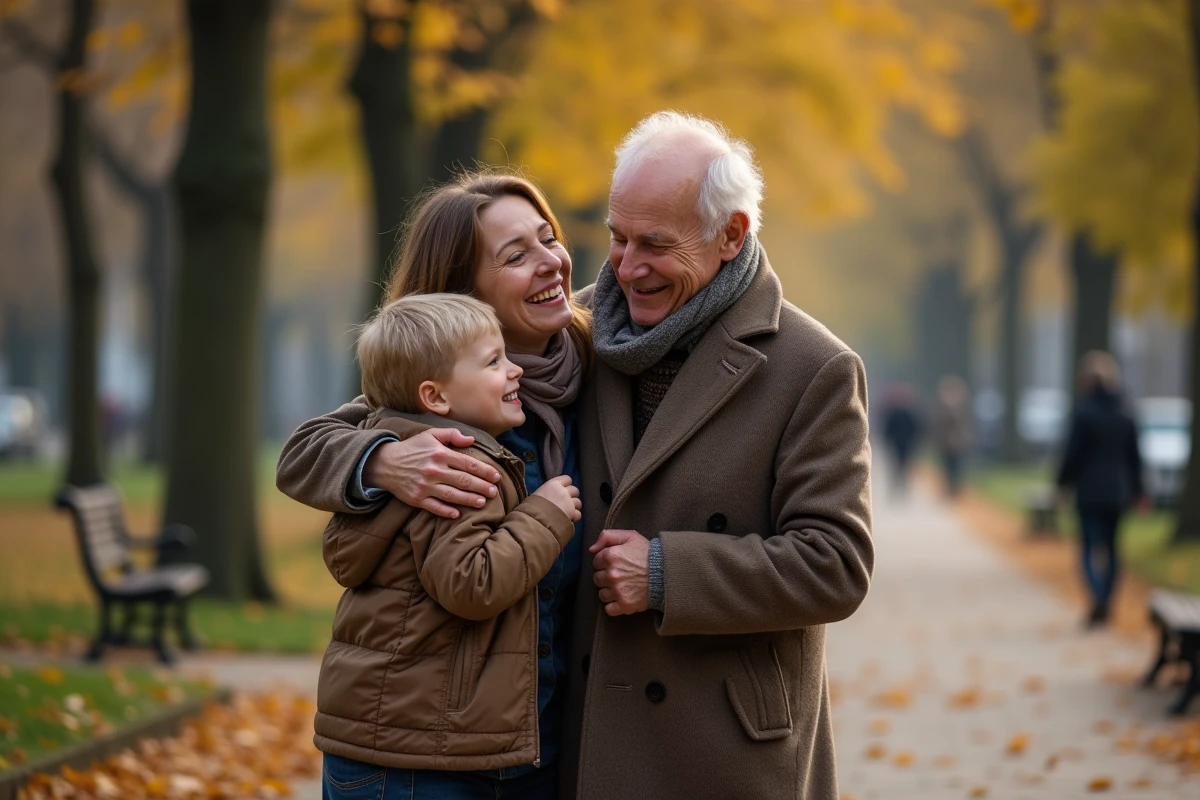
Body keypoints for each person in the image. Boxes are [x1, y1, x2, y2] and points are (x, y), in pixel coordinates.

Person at [280, 111, 874, 800]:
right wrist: (383, 460)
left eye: (654, 244)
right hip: (576, 740)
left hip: (719, 743)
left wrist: (664, 571)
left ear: (730, 235)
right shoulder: (575, 333)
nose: (626, 267)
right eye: (618, 239)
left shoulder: (813, 368)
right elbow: (323, 439)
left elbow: (836, 564)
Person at [279, 174, 591, 799]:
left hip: (530, 746)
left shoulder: (592, 367)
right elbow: (302, 451)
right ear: (462, 291)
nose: (551, 262)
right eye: (515, 255)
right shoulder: (436, 407)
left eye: (547, 238)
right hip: (423, 751)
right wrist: (383, 459)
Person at [317, 294, 581, 798]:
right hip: (424, 757)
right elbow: (470, 582)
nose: (514, 372)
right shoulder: (459, 464)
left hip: (378, 741)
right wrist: (545, 515)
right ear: (436, 397)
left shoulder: (392, 445)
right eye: (494, 362)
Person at [1056, 351, 1144, 629]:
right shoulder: (1125, 411)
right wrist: (1139, 490)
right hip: (1119, 491)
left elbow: (1072, 454)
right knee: (1114, 550)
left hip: (1090, 491)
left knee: (1089, 549)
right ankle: (1107, 597)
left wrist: (1062, 483)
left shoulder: (1084, 412)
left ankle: (1098, 598)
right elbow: (1135, 457)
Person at [930, 375, 973, 498]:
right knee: (947, 465)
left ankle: (955, 487)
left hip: (958, 442)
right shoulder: (942, 404)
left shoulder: (961, 404)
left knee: (957, 465)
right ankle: (950, 486)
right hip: (945, 442)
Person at [881, 382, 922, 498]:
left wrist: (915, 441)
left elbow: (917, 429)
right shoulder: (893, 413)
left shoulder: (910, 413)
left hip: (907, 444)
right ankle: (896, 487)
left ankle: (903, 488)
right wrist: (888, 442)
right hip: (896, 444)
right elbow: (888, 429)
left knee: (905, 467)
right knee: (895, 466)